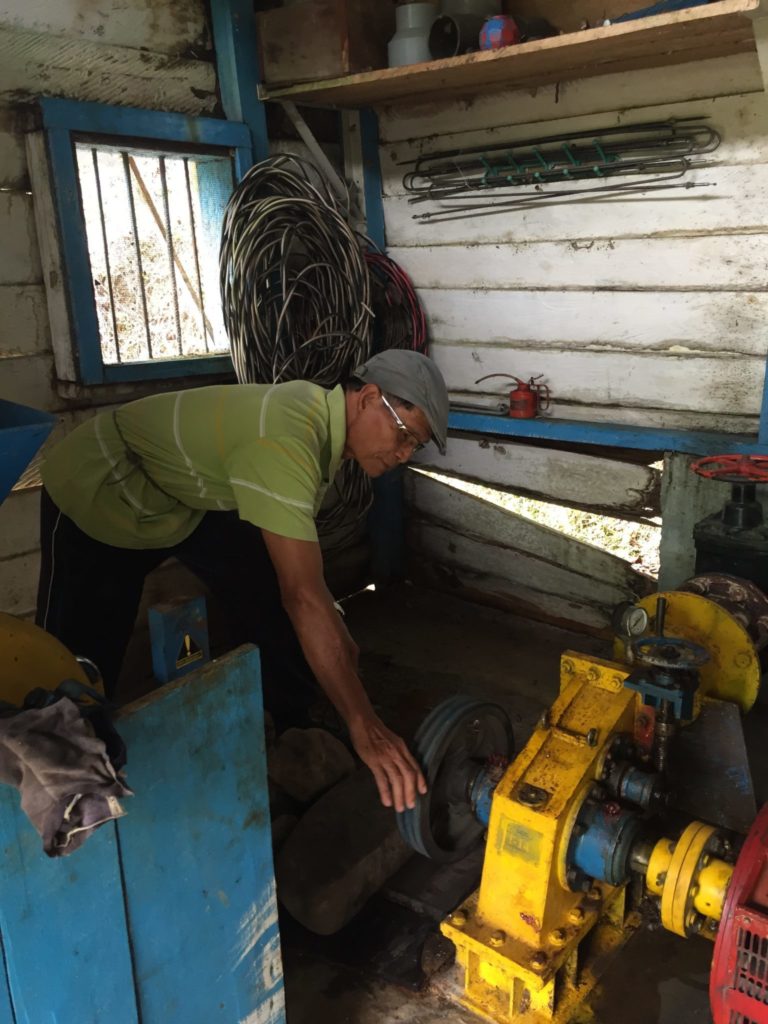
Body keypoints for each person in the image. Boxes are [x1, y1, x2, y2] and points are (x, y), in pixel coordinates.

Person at [35, 350, 449, 814]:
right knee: (75, 670)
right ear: (369, 398)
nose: (403, 454)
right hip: (101, 484)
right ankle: (74, 796)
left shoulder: (319, 425)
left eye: (415, 446)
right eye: (404, 435)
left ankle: (294, 724)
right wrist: (365, 723)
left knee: (269, 590)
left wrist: (339, 638)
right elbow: (304, 597)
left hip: (181, 497)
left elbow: (308, 588)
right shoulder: (289, 439)